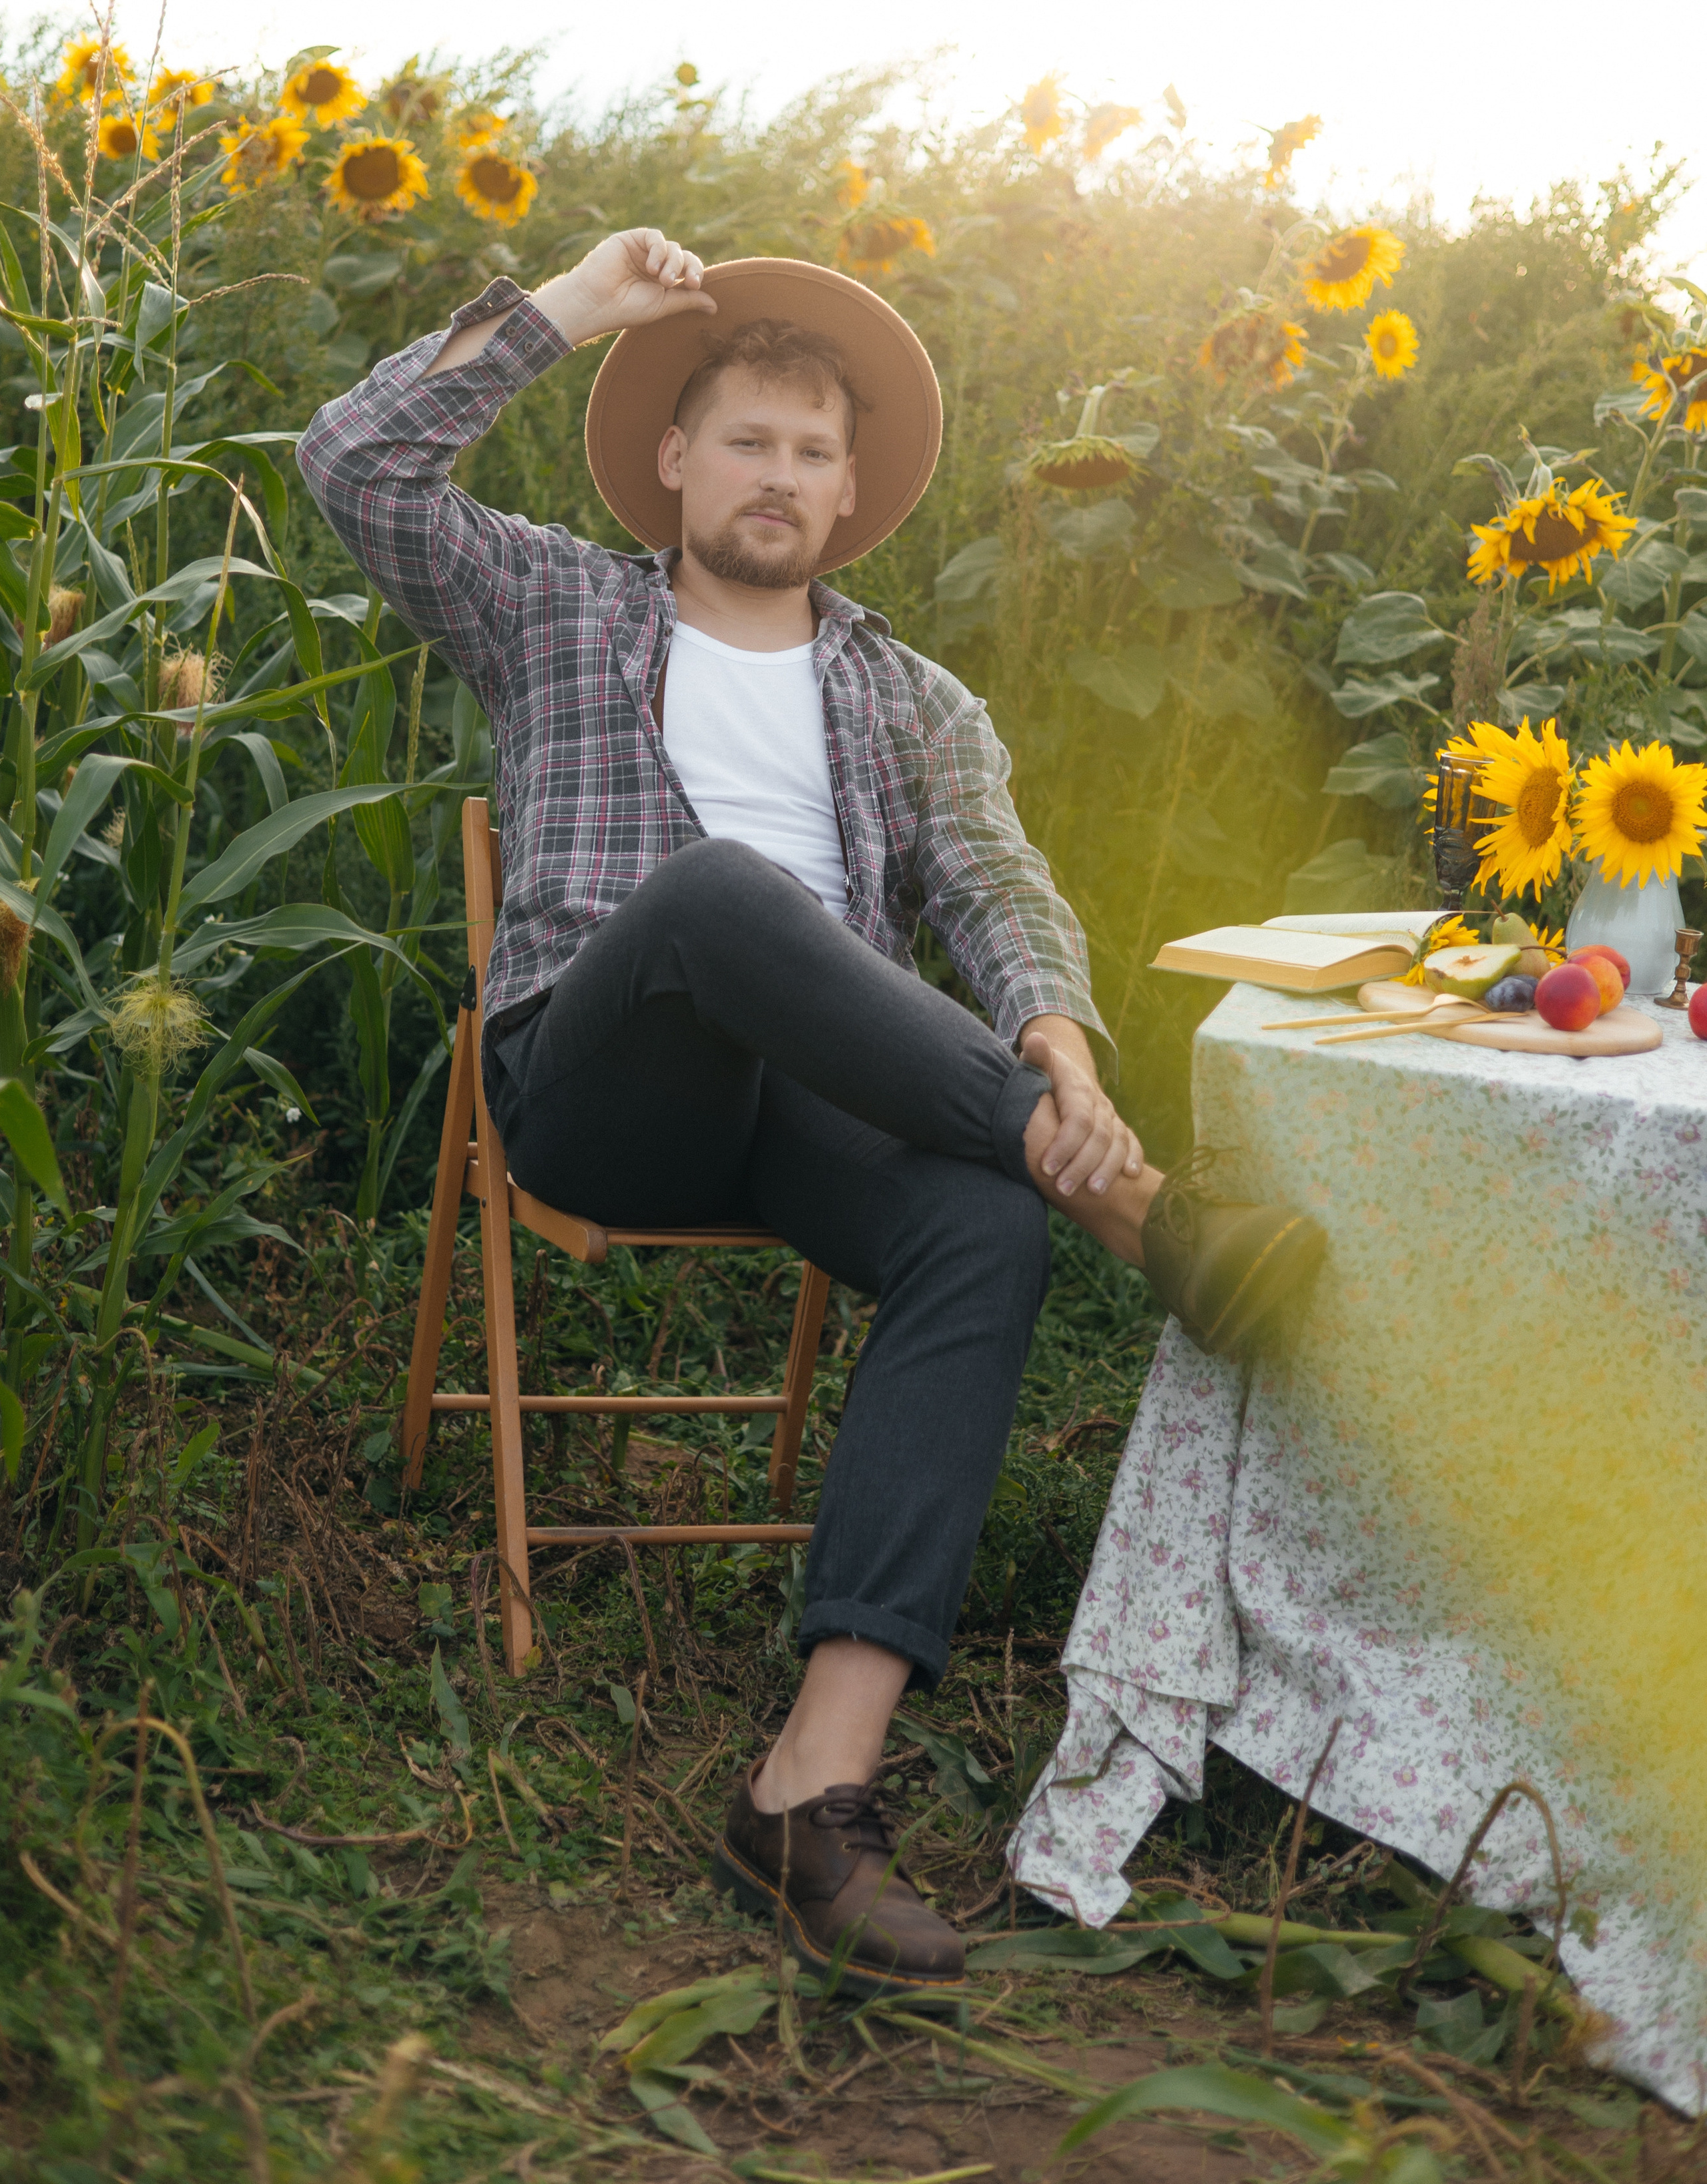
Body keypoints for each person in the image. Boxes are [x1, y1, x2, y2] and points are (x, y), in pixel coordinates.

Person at [298, 226, 1323, 2001]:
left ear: (850, 497)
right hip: (602, 1084)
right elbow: (354, 465)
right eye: (749, 438)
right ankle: (1147, 1218)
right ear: (674, 461)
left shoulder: (909, 697)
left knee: (982, 1215)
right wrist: (575, 309)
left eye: (815, 451)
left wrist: (1065, 1053)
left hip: (813, 1113)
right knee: (714, 895)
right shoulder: (549, 603)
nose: (782, 474)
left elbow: (999, 888)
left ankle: (813, 1783)